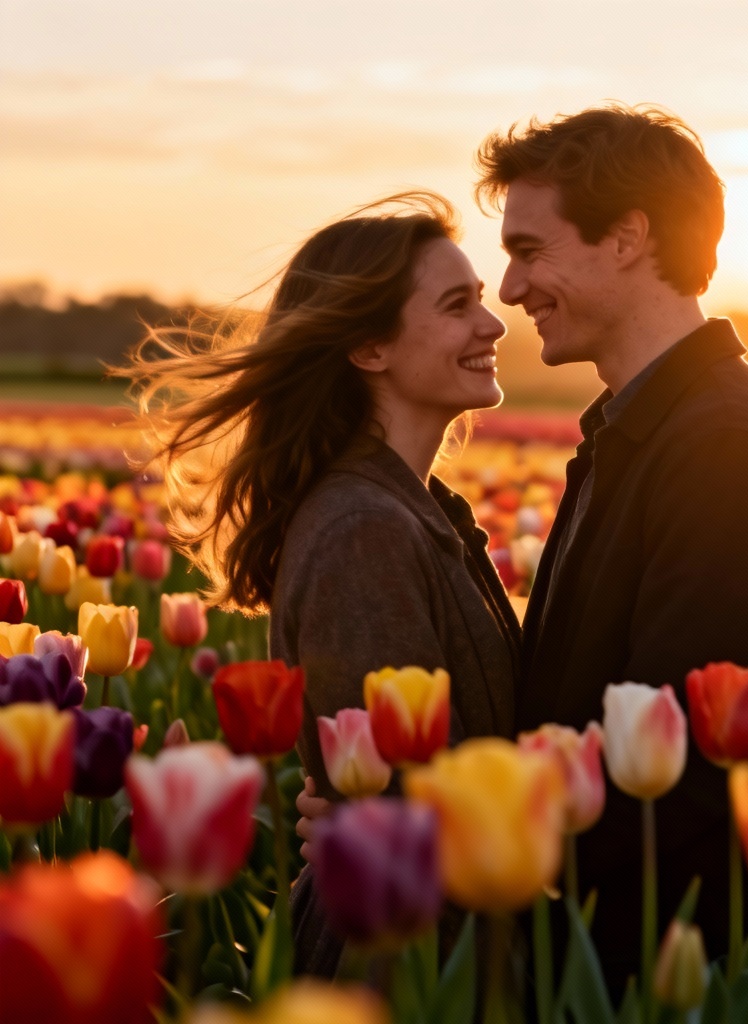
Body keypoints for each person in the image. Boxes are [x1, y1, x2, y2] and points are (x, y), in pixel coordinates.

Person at [475, 103, 748, 995]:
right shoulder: (645, 428)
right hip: (599, 951)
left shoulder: (726, 447)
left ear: (630, 237)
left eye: (529, 250)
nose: (510, 290)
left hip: (662, 969)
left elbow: (676, 771)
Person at [120, 191, 520, 976]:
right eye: (457, 304)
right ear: (370, 347)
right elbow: (392, 811)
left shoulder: (410, 508)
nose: (495, 323)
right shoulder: (364, 530)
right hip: (407, 955)